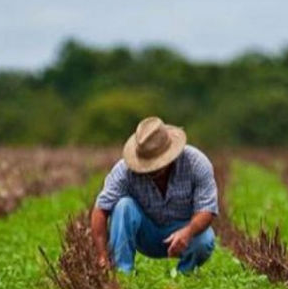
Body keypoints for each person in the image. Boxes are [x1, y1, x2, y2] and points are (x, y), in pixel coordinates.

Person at [91, 116, 218, 274]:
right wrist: (102, 256)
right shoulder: (124, 170)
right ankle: (123, 274)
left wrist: (187, 232)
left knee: (205, 240)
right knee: (123, 206)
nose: (152, 170)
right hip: (146, 233)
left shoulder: (196, 163)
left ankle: (184, 276)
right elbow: (100, 210)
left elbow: (207, 210)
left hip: (183, 231)